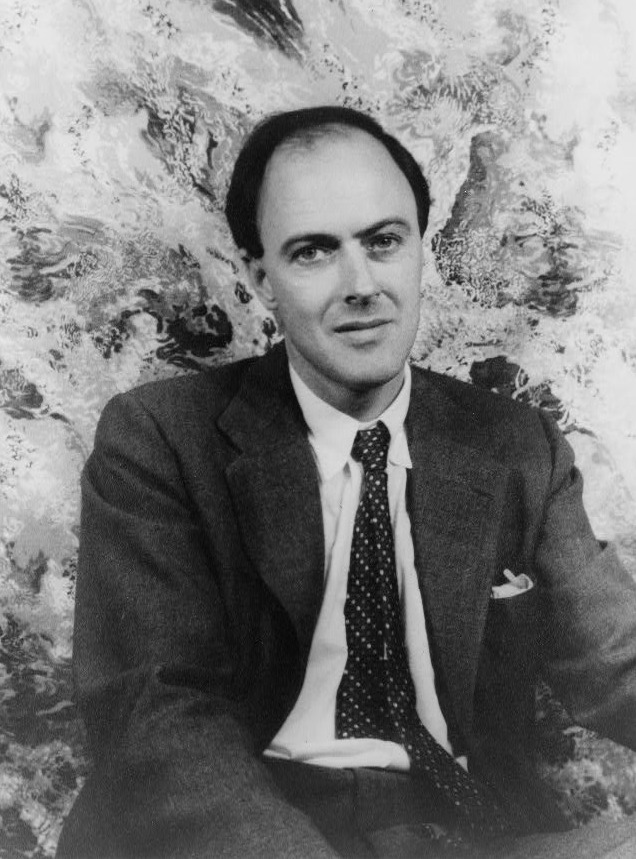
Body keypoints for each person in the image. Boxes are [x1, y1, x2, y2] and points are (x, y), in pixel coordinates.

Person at [57, 106, 636, 858]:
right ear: (259, 278)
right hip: (250, 833)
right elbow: (158, 716)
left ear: (420, 248)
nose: (360, 284)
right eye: (313, 252)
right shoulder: (160, 440)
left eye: (384, 241)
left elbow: (616, 661)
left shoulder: (516, 444)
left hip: (467, 835)